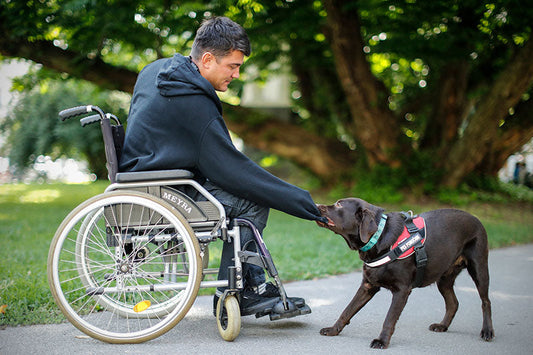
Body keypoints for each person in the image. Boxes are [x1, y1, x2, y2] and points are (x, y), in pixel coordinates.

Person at [119, 16, 326, 316]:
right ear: (206, 60)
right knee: (252, 202)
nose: (237, 74)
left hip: (142, 180)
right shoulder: (193, 103)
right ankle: (243, 291)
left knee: (245, 196)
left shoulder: (155, 71)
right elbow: (234, 171)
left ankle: (244, 287)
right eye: (233, 66)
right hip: (167, 191)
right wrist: (305, 204)